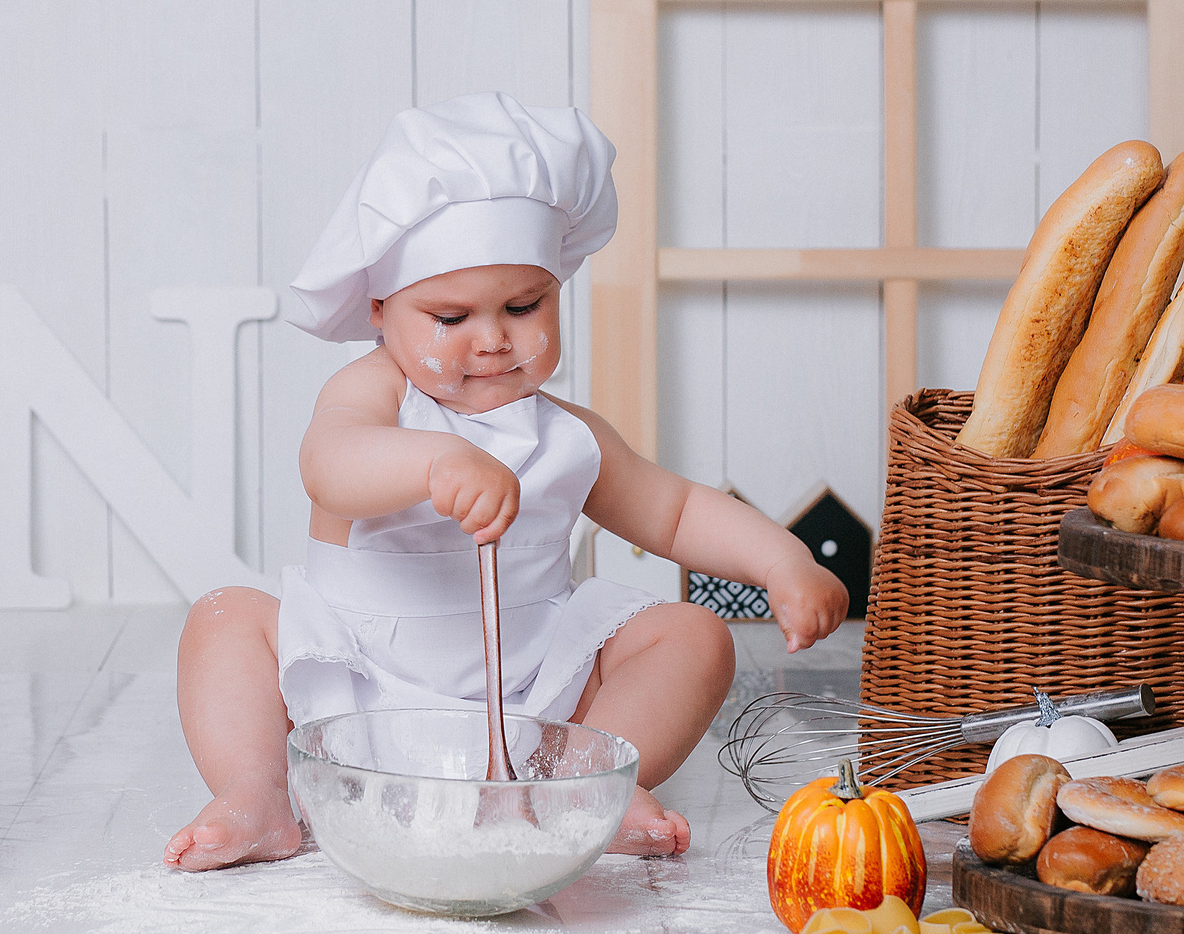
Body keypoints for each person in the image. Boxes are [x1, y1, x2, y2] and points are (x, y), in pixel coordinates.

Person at [166, 94, 850, 871]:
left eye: (524, 305)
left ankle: (588, 784)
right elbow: (328, 459)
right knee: (223, 621)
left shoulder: (565, 433)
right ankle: (256, 797)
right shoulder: (375, 395)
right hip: (356, 688)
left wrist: (782, 562)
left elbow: (677, 509)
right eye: (450, 317)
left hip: (531, 700)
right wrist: (432, 461)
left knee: (695, 635)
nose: (492, 338)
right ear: (382, 310)